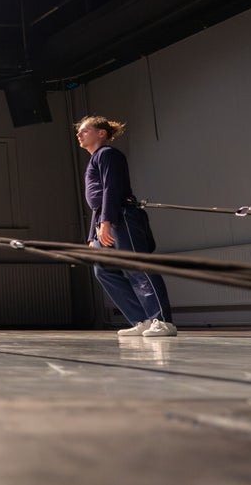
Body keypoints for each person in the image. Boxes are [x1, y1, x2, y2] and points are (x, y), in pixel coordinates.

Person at [75, 116, 176, 337]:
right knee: (103, 270)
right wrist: (92, 236)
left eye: (84, 130)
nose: (79, 134)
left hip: (120, 216)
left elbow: (111, 189)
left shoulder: (107, 154)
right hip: (105, 219)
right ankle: (142, 320)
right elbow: (97, 203)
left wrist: (106, 222)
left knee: (136, 266)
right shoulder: (94, 159)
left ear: (101, 133)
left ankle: (162, 321)